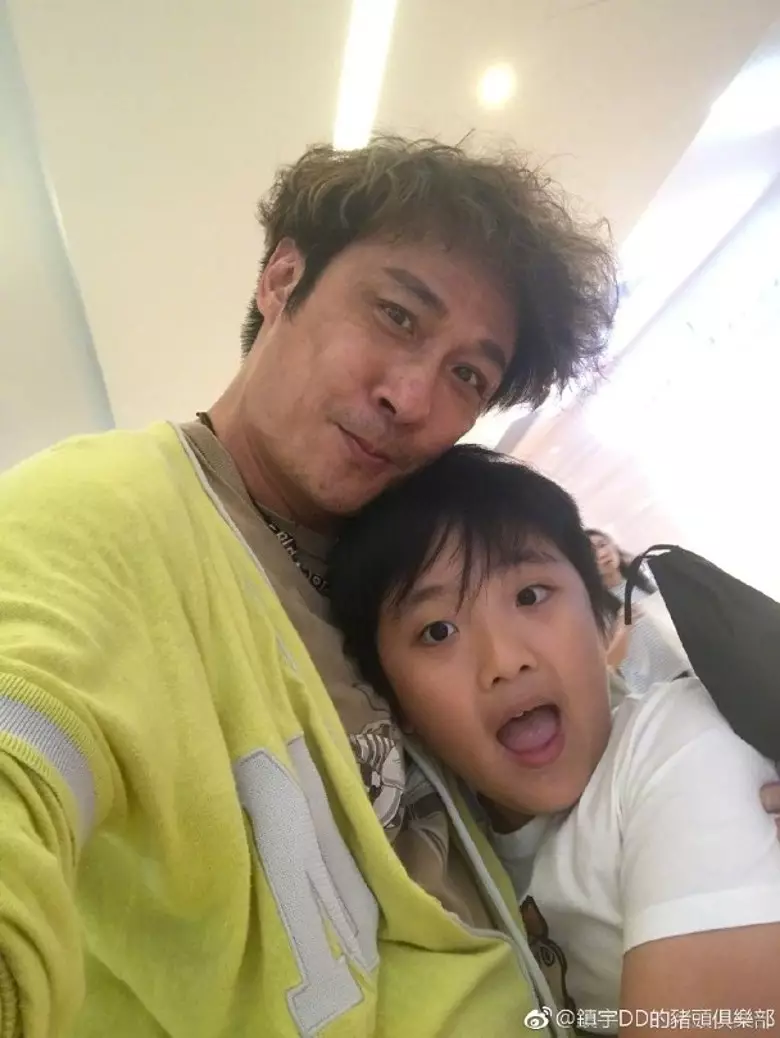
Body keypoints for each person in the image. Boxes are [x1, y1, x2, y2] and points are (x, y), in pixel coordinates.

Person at [0, 135, 620, 1036]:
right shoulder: (100, 511)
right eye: (397, 316)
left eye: (467, 374)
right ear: (282, 278)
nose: (412, 398)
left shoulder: (394, 579)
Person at [328, 445, 780, 1029]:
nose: (504, 660)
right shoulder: (439, 855)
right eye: (438, 631)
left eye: (530, 596)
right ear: (394, 702)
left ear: (601, 618)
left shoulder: (677, 745)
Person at [587, 528, 691, 696]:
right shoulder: (596, 609)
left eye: (602, 545)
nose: (602, 554)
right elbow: (609, 665)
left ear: (613, 545)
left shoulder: (643, 580)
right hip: (655, 691)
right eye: (591, 554)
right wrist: (623, 628)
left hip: (687, 669)